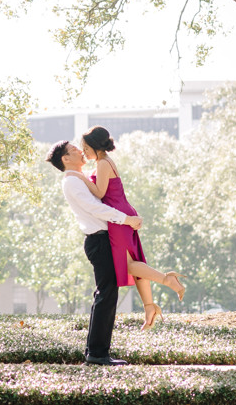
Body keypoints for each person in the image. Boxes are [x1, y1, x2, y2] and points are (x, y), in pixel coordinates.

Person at [75, 126, 185, 329]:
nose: (83, 152)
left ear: (94, 146)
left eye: (85, 148)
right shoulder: (104, 162)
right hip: (122, 213)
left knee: (128, 265)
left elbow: (99, 193)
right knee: (134, 262)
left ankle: (167, 280)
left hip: (120, 218)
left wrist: (80, 177)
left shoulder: (103, 163)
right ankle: (149, 306)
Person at [47, 139, 142, 366]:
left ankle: (97, 351)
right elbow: (95, 207)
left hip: (103, 239)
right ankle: (97, 354)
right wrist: (126, 219)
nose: (81, 151)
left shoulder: (78, 179)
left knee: (108, 294)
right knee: (106, 295)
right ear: (65, 159)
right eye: (74, 150)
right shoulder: (71, 182)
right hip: (98, 241)